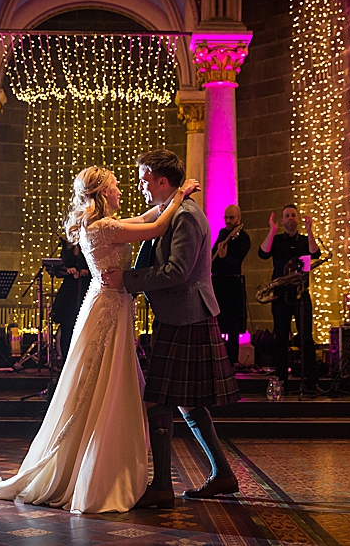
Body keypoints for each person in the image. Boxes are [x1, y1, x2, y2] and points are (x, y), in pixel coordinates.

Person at [0, 166, 200, 513]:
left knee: (106, 382)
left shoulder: (104, 224)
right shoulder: (104, 227)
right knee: (101, 383)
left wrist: (172, 196)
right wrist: (180, 195)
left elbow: (146, 215)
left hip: (110, 305)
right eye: (115, 186)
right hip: (107, 309)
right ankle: (95, 470)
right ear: (102, 192)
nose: (121, 190)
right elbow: (155, 226)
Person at [103, 150, 241, 509]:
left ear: (162, 181)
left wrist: (128, 280)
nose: (140, 185)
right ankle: (221, 474)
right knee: (189, 404)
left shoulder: (186, 217)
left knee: (159, 399)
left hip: (188, 315)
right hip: (180, 315)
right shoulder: (171, 211)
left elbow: (177, 271)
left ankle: (162, 485)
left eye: (144, 178)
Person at [257, 204, 321, 390]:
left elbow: (315, 253)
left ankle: (311, 381)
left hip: (301, 294)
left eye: (293, 215)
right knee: (280, 338)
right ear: (283, 220)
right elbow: (262, 253)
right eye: (287, 216)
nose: (290, 218)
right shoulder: (276, 240)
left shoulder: (303, 240)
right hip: (280, 295)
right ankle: (281, 380)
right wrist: (272, 229)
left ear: (297, 219)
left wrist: (310, 232)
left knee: (306, 338)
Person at [211, 205, 251, 367]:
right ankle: (218, 358)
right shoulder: (222, 234)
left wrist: (224, 257)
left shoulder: (244, 238)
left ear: (239, 219)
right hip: (218, 283)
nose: (228, 221)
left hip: (233, 284)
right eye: (226, 217)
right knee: (217, 323)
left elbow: (237, 262)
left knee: (233, 325)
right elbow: (214, 257)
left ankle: (232, 360)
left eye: (231, 218)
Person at [50, 237, 90, 362]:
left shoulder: (90, 240)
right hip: (69, 290)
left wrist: (86, 271)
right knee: (67, 326)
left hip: (85, 288)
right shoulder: (66, 244)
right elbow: (55, 269)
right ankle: (65, 360)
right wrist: (67, 270)